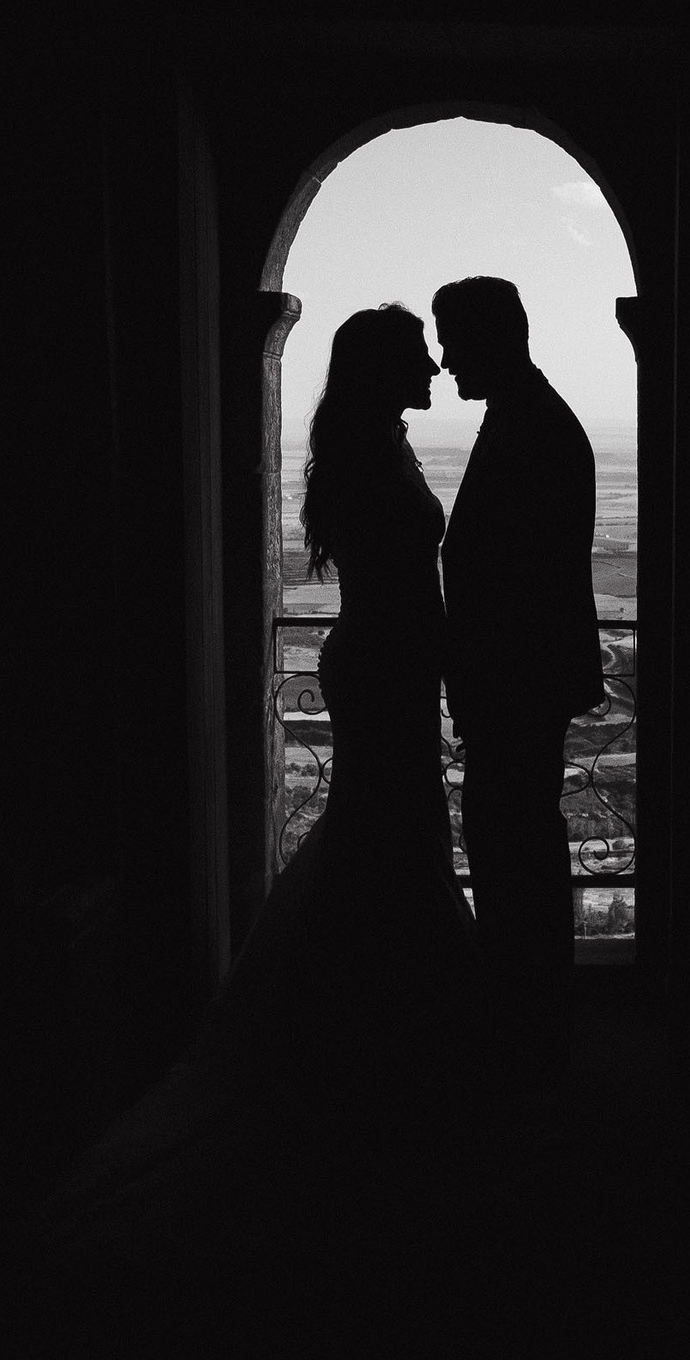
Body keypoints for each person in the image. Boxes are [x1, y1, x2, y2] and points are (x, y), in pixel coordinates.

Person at [32, 303, 488, 1286]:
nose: (432, 366)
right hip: (386, 669)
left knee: (384, 834)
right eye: (416, 355)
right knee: (389, 832)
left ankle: (365, 1021)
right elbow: (403, 586)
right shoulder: (375, 457)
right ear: (381, 370)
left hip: (386, 668)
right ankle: (387, 1034)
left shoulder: (373, 447)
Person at [432, 277, 605, 1103]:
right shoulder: (529, 416)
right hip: (517, 686)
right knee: (515, 850)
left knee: (517, 855)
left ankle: (528, 1034)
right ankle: (529, 1025)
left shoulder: (531, 425)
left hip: (516, 687)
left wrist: (482, 679)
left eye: (452, 337)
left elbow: (517, 582)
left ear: (493, 336)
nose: (443, 356)